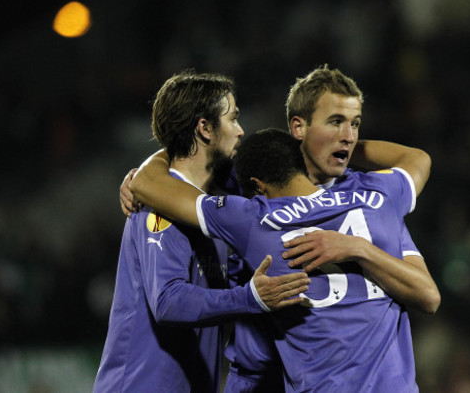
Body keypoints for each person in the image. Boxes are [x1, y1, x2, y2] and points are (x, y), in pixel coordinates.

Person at [122, 65, 439, 390]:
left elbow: (428, 296)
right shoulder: (377, 196)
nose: (349, 134)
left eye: (354, 125)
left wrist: (357, 246)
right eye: (335, 123)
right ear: (298, 128)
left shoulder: (254, 214)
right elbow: (417, 160)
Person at [93, 71, 310, 393]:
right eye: (232, 118)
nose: (240, 131)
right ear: (205, 128)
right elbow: (167, 300)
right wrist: (251, 298)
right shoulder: (158, 205)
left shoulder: (212, 207)